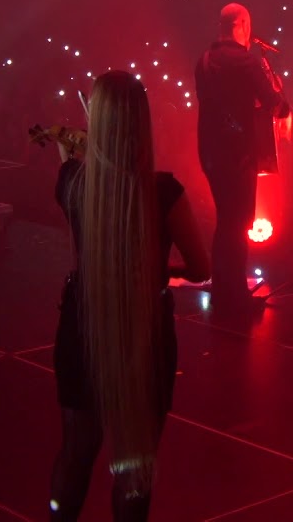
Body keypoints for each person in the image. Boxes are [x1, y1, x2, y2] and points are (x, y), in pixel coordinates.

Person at [49, 70, 210, 521]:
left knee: (75, 455)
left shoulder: (72, 183)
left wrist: (72, 151)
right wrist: (157, 268)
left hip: (83, 328)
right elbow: (202, 270)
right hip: (146, 331)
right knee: (134, 464)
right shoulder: (167, 193)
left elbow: (74, 172)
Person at [194, 3, 289, 318]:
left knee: (225, 221)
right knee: (238, 223)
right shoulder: (247, 61)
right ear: (243, 24)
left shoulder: (204, 61)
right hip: (239, 154)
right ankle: (234, 297)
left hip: (209, 151)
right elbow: (277, 106)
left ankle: (224, 291)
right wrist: (277, 94)